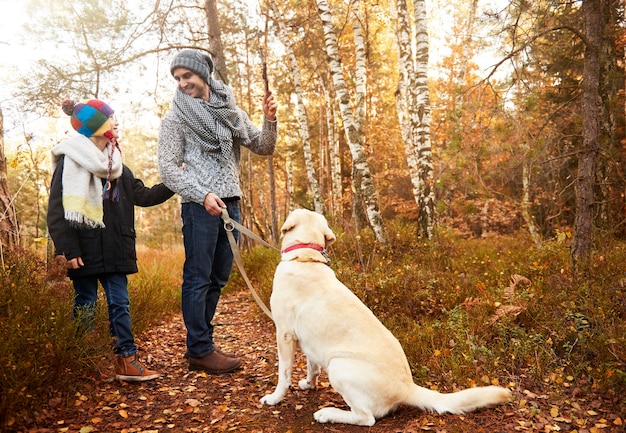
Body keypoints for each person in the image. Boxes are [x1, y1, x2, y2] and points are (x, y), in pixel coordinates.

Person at [158, 49, 278, 374]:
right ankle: (199, 349)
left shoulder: (230, 111)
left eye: (188, 76)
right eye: (178, 79)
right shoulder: (175, 119)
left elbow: (263, 146)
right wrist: (202, 194)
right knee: (197, 278)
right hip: (200, 207)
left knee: (219, 277)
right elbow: (167, 169)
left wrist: (270, 119)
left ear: (204, 74)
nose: (183, 83)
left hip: (231, 204)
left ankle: (202, 344)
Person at [47, 98, 174, 382]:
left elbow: (145, 196)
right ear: (97, 126)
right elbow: (56, 211)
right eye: (111, 119)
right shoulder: (70, 164)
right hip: (84, 250)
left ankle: (126, 361)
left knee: (120, 304)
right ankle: (82, 364)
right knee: (85, 304)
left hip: (116, 248)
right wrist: (67, 249)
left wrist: (176, 181)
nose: (116, 123)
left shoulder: (118, 167)